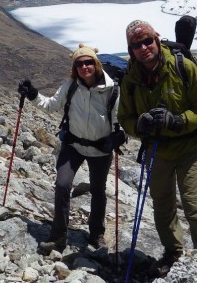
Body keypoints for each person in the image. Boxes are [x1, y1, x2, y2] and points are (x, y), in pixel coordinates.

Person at [117, 19, 197, 276]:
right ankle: (172, 252)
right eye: (136, 45)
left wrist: (177, 121)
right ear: (131, 50)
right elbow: (125, 119)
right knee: (162, 207)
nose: (143, 47)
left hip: (188, 148)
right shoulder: (131, 80)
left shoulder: (182, 67)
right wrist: (140, 124)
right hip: (157, 151)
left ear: (157, 39)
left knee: (196, 208)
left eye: (147, 41)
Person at [18, 44, 126, 254]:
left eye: (88, 62)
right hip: (73, 145)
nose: (84, 67)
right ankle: (58, 235)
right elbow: (51, 105)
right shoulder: (71, 85)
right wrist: (32, 94)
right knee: (62, 184)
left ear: (96, 64)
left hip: (100, 149)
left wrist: (120, 136)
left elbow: (121, 120)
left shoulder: (113, 89)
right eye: (79, 63)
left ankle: (96, 234)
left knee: (97, 191)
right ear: (75, 67)